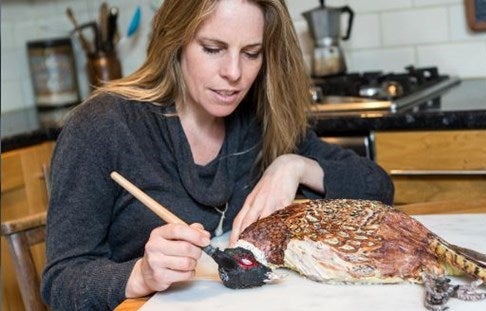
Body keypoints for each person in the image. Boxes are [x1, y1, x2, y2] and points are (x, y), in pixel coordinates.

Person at [40, 0, 393, 309]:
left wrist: (294, 166)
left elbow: (379, 189)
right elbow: (61, 282)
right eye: (213, 48)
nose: (234, 74)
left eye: (251, 53)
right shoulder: (103, 127)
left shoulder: (259, 118)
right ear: (174, 41)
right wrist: (140, 276)